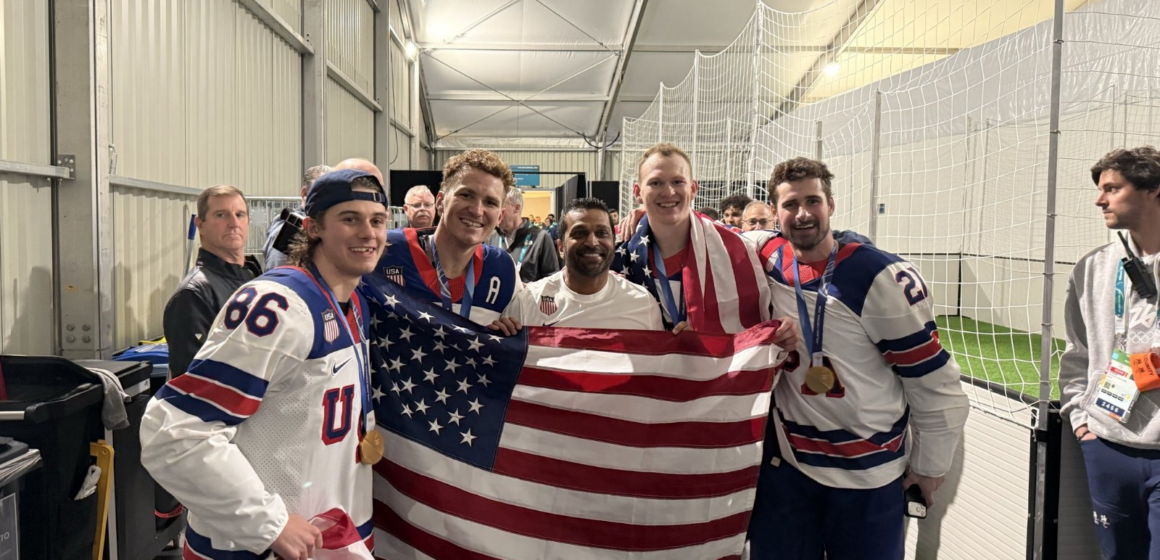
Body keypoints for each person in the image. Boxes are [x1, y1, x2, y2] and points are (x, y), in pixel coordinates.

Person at [141, 169, 390, 560]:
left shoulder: (354, 302)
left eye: (377, 221)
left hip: (327, 533)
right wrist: (268, 522)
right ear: (313, 228)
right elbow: (174, 432)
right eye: (349, 219)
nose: (368, 233)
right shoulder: (277, 303)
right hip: (261, 546)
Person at [746, 157, 969, 560]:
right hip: (790, 467)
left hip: (868, 473)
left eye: (812, 201)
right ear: (774, 212)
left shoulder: (878, 276)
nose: (802, 214)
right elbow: (711, 237)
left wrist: (930, 467)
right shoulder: (767, 254)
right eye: (790, 204)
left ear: (830, 204)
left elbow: (933, 383)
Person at [1060, 146, 1160, 559]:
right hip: (1106, 445)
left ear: (1153, 190)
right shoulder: (1092, 267)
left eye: (1112, 189)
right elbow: (1077, 353)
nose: (1099, 200)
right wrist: (1083, 424)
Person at [613, 143, 796, 343]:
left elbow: (796, 249)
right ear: (638, 191)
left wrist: (779, 335)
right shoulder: (615, 246)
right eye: (655, 183)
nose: (668, 191)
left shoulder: (737, 246)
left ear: (693, 189)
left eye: (677, 181)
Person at [374, 149, 520, 325]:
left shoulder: (503, 270)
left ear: (500, 216)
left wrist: (507, 334)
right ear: (440, 202)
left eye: (490, 202)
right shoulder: (385, 250)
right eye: (466, 195)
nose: (476, 210)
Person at [502, 198, 663, 330]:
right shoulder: (527, 302)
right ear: (561, 248)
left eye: (602, 233)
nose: (592, 242)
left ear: (614, 244)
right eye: (579, 233)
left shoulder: (643, 304)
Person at [164, 185, 261, 379]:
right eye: (221, 215)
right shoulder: (194, 294)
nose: (234, 223)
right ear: (200, 224)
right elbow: (191, 379)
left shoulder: (254, 278)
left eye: (240, 215)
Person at [263, 165, 331, 269]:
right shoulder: (288, 230)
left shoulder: (330, 224)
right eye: (321, 194)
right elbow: (276, 273)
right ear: (304, 193)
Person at [489, 189, 560, 283]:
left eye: (500, 205)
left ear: (516, 208)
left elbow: (552, 279)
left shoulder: (541, 237)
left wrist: (529, 289)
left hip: (528, 296)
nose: (495, 211)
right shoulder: (490, 236)